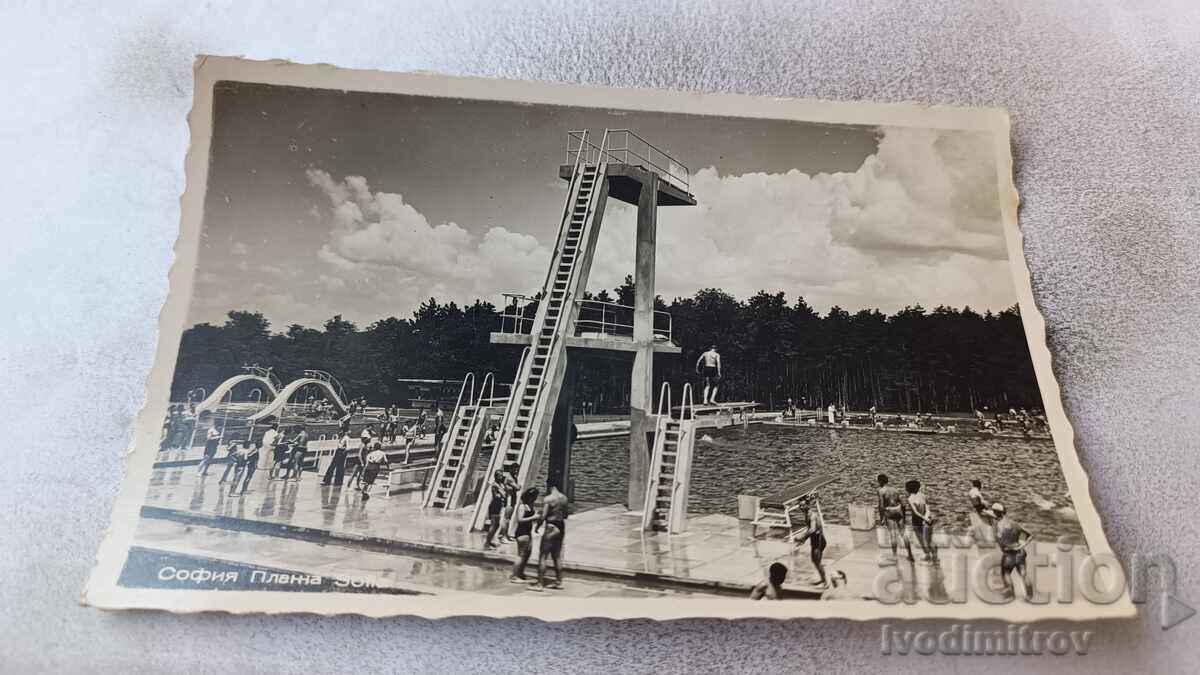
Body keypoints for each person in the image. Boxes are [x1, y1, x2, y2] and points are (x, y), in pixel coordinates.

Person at [528, 483, 569, 591]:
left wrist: (537, 526)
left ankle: (540, 584)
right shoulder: (564, 498)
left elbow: (544, 516)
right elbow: (565, 515)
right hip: (561, 526)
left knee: (543, 556)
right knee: (557, 556)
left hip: (550, 526)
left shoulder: (548, 499)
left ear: (549, 486)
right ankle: (559, 582)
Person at [992, 503, 1034, 599]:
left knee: (1005, 572)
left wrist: (1005, 545)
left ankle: (1010, 594)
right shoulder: (1015, 524)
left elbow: (1000, 541)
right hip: (1020, 552)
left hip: (1008, 553)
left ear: (997, 513)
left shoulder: (998, 525)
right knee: (1023, 573)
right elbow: (1031, 535)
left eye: (994, 512)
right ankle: (1029, 595)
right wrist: (1022, 545)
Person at [877, 474, 912, 562]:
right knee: (903, 533)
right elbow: (903, 504)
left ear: (880, 481)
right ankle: (910, 554)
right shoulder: (895, 489)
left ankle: (895, 556)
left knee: (892, 535)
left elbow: (881, 506)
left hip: (889, 512)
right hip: (898, 510)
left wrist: (881, 519)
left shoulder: (881, 491)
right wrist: (903, 516)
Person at [509, 487, 540, 583]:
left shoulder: (530, 505)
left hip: (527, 532)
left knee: (527, 553)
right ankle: (515, 576)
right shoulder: (522, 506)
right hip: (522, 533)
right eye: (534, 497)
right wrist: (533, 517)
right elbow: (520, 520)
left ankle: (520, 573)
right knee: (521, 554)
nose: (535, 498)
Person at [794, 505, 828, 588]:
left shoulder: (812, 515)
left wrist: (801, 537)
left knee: (817, 562)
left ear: (807, 505)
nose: (801, 507)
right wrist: (803, 540)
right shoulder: (807, 515)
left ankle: (825, 583)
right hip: (815, 540)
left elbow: (812, 529)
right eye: (800, 506)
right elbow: (810, 529)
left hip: (819, 541)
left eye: (803, 505)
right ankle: (823, 579)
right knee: (815, 561)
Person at [906, 479, 937, 562]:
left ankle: (927, 555)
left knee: (921, 539)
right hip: (928, 519)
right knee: (929, 539)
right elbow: (928, 509)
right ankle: (934, 556)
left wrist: (923, 518)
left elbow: (915, 512)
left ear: (908, 489)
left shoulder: (910, 499)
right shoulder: (923, 496)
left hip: (917, 521)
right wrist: (926, 518)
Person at [482, 470, 508, 550]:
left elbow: (504, 494)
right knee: (494, 525)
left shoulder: (501, 484)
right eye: (499, 475)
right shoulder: (495, 485)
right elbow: (500, 495)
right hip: (495, 505)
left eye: (502, 475)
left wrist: (503, 493)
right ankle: (487, 543)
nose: (501, 477)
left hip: (499, 505)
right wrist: (503, 493)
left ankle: (489, 540)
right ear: (496, 476)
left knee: (496, 525)